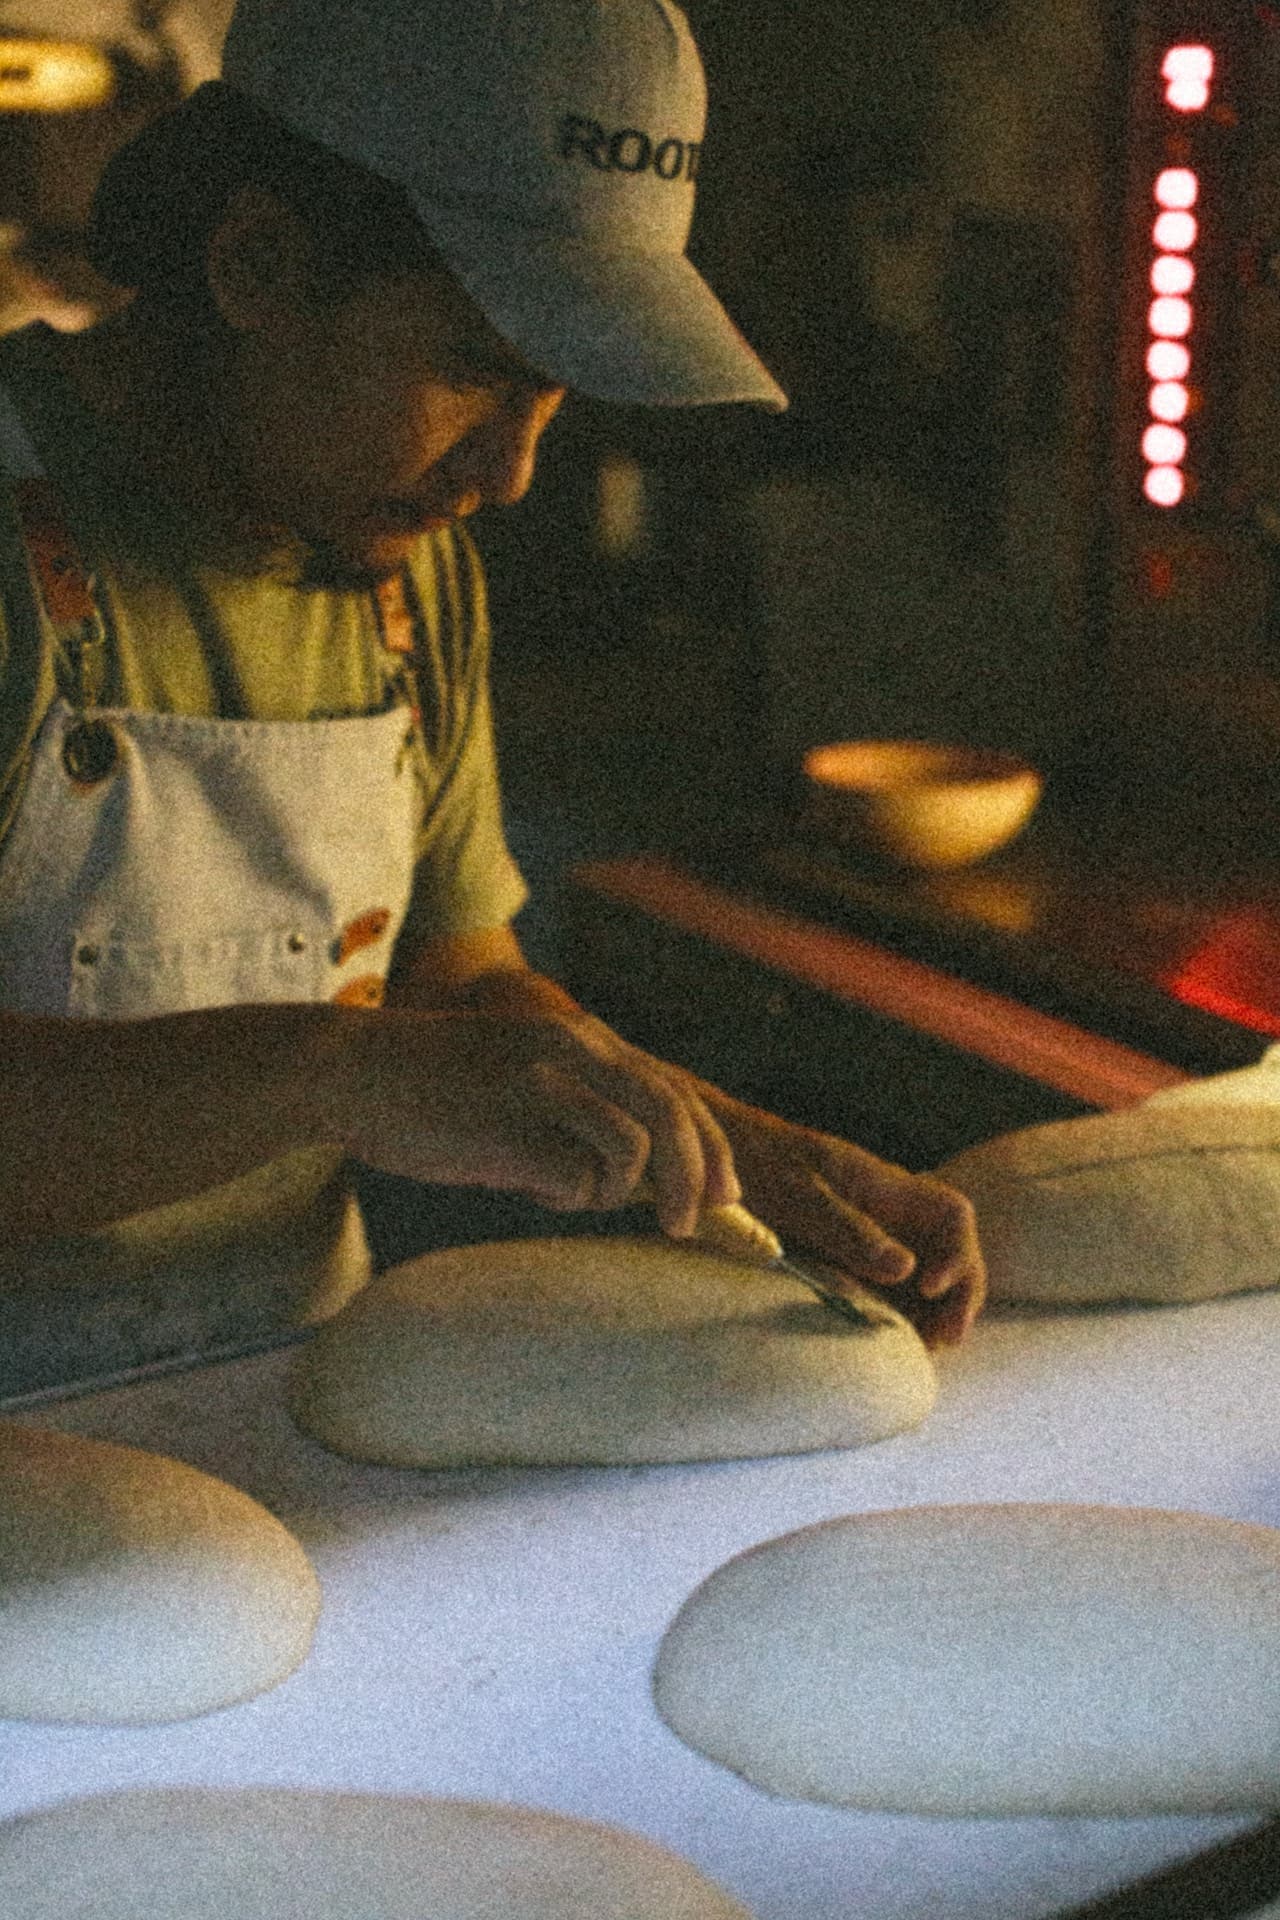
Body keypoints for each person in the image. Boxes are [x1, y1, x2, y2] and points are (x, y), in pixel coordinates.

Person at [0, 0, 983, 1396]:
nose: (511, 474)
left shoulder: (405, 566)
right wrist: (336, 1071)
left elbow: (455, 976)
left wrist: (740, 1148)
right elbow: (382, 1053)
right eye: (472, 370)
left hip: (280, 1409)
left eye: (556, 395)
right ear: (258, 262)